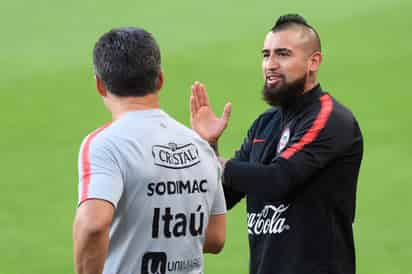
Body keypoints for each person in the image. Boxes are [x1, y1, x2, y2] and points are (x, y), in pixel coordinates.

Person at [190, 14, 363, 274]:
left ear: (313, 61)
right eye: (265, 55)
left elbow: (279, 178)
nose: (270, 64)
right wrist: (210, 145)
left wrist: (214, 163)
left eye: (282, 54)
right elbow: (224, 195)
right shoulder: (265, 124)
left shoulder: (330, 119)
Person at [73, 27, 226, 274]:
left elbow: (93, 225)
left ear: (100, 85)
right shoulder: (200, 146)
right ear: (160, 79)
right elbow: (215, 237)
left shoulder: (104, 144)